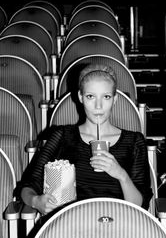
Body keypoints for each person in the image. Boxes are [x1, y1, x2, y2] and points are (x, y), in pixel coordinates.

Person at [20, 64, 153, 215]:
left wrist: (121, 175)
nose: (98, 106)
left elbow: (139, 206)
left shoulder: (134, 141)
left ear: (115, 99)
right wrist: (36, 201)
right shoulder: (62, 136)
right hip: (72, 224)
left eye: (106, 97)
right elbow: (28, 186)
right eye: (90, 96)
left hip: (118, 223)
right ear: (80, 97)